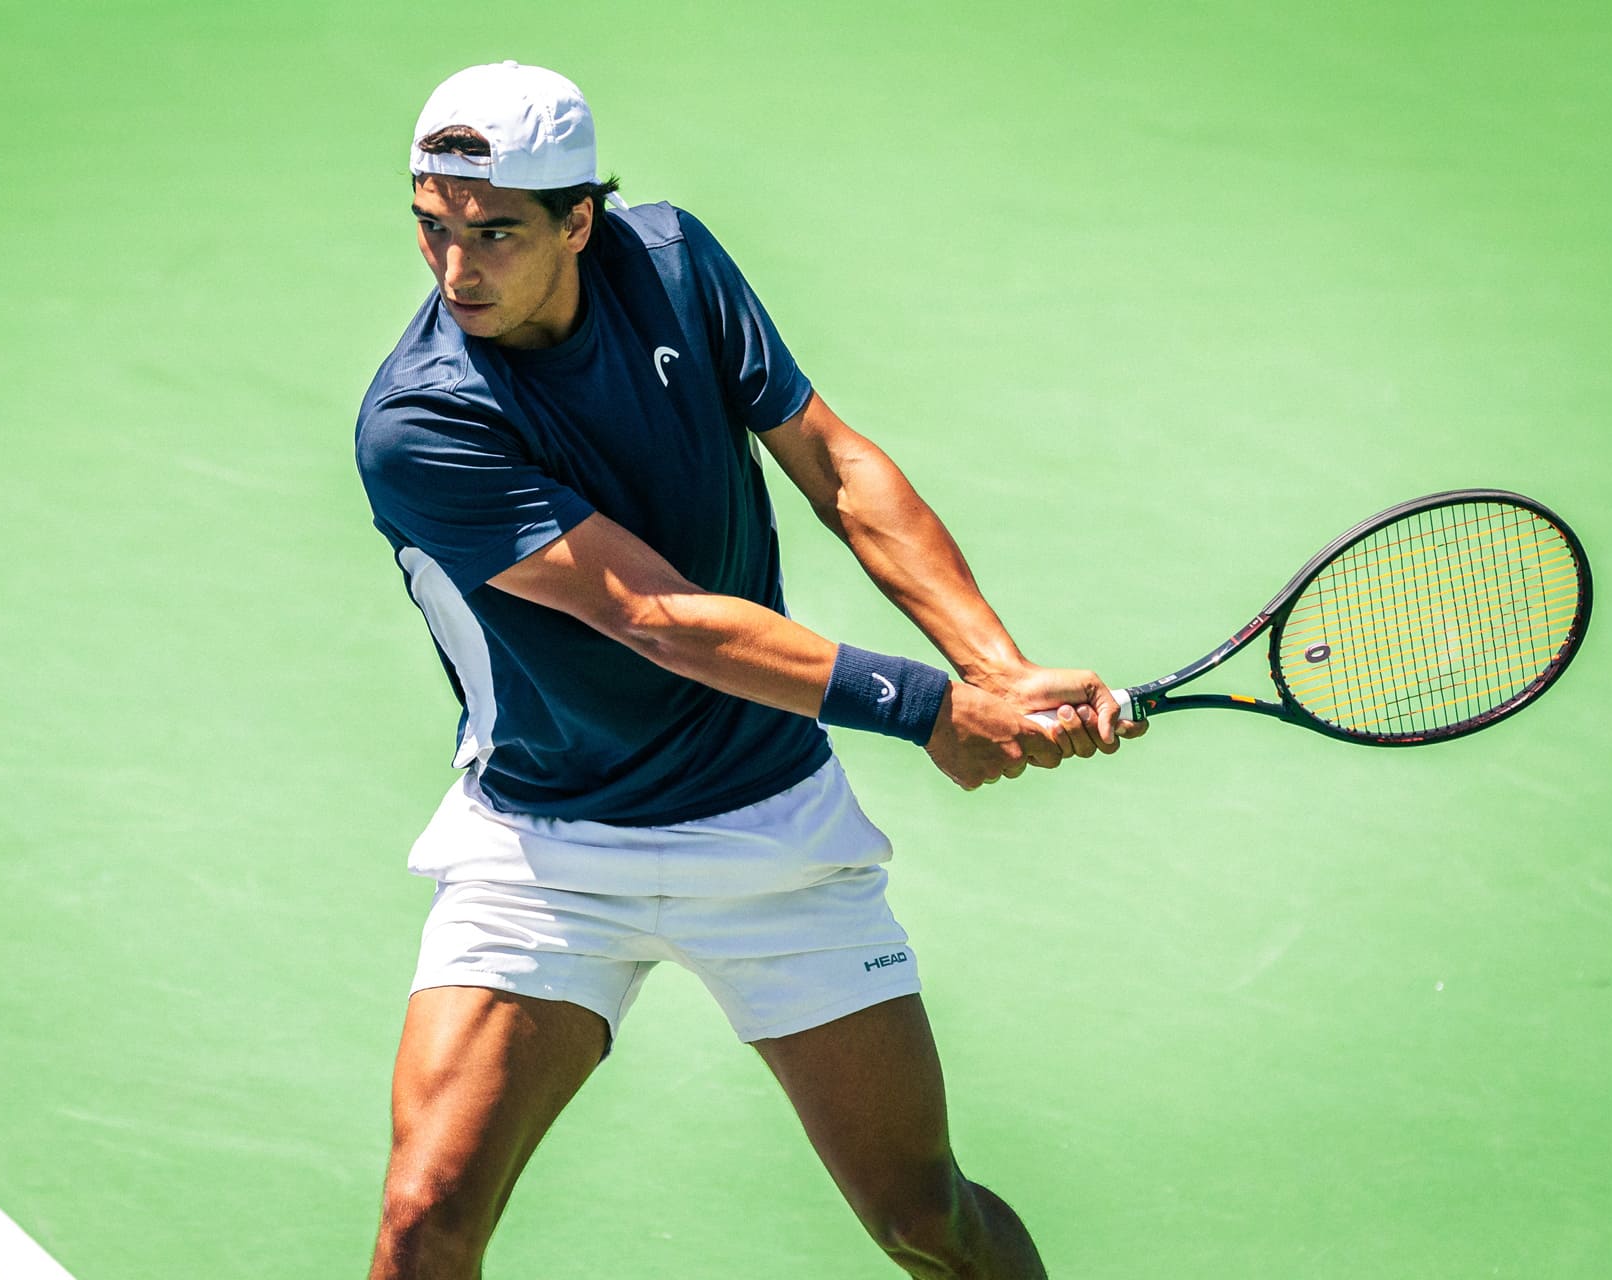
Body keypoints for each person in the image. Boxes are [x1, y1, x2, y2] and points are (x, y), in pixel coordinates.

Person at [354, 60, 1143, 1280]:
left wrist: (999, 665)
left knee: (925, 1218)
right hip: (548, 849)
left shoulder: (671, 262)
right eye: (433, 228)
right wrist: (934, 705)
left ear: (580, 219)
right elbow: (658, 615)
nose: (457, 270)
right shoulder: (424, 419)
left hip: (770, 828)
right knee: (424, 1220)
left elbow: (833, 462)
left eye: (495, 233)